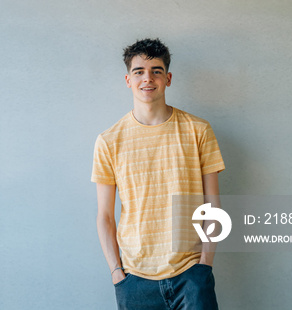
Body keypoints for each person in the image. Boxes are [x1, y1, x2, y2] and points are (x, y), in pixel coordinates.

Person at [92, 38, 225, 310]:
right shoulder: (108, 141)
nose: (147, 78)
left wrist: (204, 265)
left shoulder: (198, 130)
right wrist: (117, 273)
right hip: (134, 279)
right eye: (139, 71)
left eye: (156, 70)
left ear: (168, 78)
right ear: (128, 79)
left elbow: (213, 204)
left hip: (191, 275)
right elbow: (105, 216)